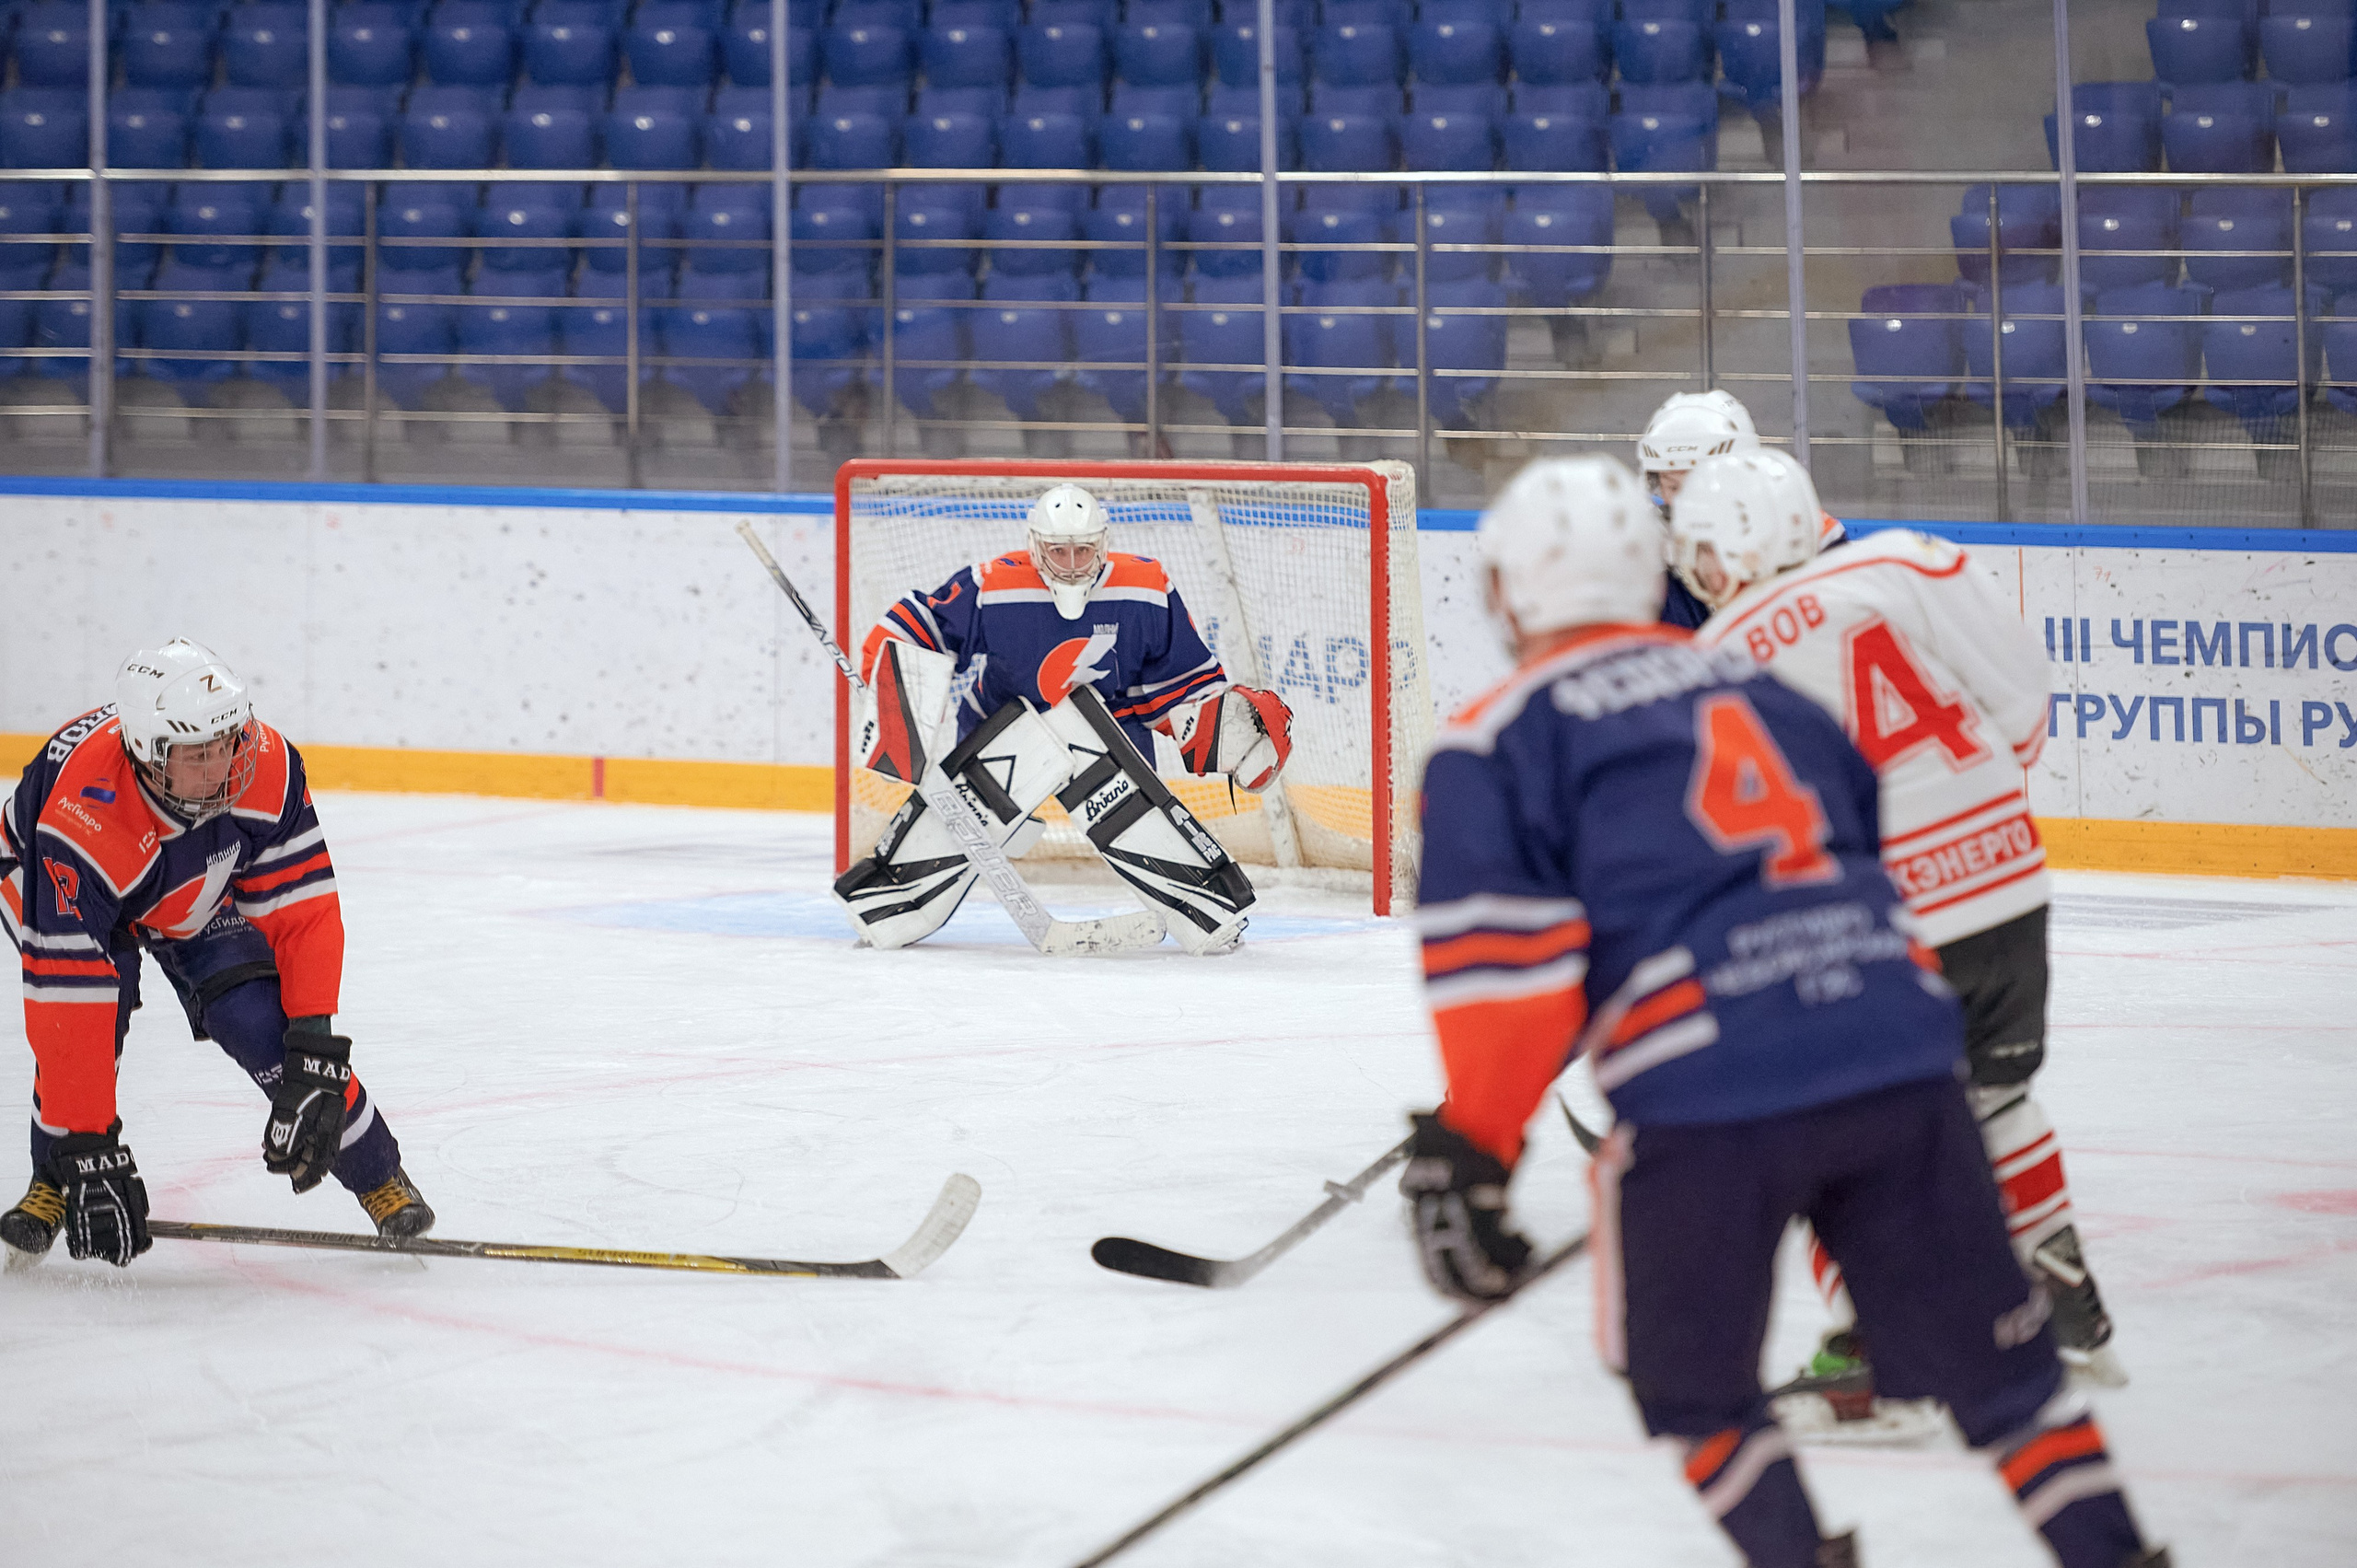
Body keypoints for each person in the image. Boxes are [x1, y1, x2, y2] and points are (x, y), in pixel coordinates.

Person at [1400, 456, 2165, 1568]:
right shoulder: (1758, 690)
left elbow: (1507, 983)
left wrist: (1469, 1151)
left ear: (1506, 590)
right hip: (1899, 1053)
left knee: (1692, 1387)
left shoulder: (1495, 738)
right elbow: (1861, 862)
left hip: (1711, 1100)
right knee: (2008, 1381)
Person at [1665, 449, 2122, 1391]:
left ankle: (1882, 1358)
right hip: (2005, 884)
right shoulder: (1910, 563)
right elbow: (2022, 711)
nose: (1700, 575)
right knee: (1994, 1100)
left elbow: (1742, 839)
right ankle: (2067, 1314)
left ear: (1749, 543)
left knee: (1822, 1127)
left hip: (1892, 923)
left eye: (1707, 551)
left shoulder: (1722, 655)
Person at [0, 640, 431, 1269]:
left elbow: (303, 910)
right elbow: (69, 1001)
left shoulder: (265, 764)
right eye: (197, 756)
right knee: (96, 1023)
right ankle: (56, 1177)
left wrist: (313, 1041)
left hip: (191, 883)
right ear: (147, 754)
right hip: (57, 875)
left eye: (228, 742)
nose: (223, 767)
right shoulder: (79, 824)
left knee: (259, 1022)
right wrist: (90, 1145)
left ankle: (380, 1177)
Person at [837, 483, 1295, 954]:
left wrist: (1218, 725)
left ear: (1103, 544)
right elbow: (922, 625)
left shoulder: (1145, 588)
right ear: (1036, 545)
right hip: (1005, 726)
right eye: (1059, 550)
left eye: (1084, 551)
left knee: (1140, 817)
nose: (1072, 563)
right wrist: (893, 686)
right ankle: (886, 903)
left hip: (1109, 730)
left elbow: (1180, 681)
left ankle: (1209, 911)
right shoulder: (993, 585)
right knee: (957, 822)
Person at [1635, 390, 1850, 630]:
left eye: (1699, 485)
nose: (1687, 503)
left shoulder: (1801, 530)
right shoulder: (1655, 553)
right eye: (1672, 486)